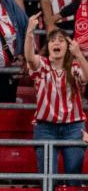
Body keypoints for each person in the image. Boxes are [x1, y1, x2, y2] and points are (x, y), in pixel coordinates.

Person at [23, 16, 88, 180]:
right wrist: (30, 31)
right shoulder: (42, 65)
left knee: (74, 179)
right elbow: (30, 58)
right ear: (48, 46)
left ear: (68, 47)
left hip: (73, 128)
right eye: (52, 41)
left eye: (61, 40)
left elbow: (87, 77)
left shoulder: (74, 67)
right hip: (45, 128)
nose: (56, 43)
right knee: (47, 179)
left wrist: (79, 55)